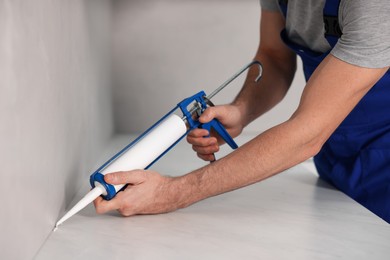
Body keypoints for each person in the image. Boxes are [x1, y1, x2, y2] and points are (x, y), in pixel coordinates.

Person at [94, 0, 390, 222]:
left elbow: (307, 134)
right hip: (335, 167)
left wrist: (173, 192)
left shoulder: (374, 6)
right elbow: (274, 56)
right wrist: (242, 110)